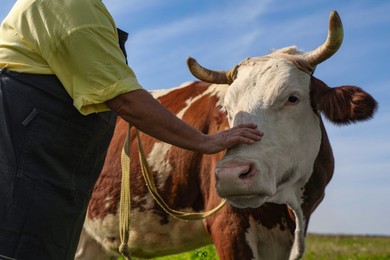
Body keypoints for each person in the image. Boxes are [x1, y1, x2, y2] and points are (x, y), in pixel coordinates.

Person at [0, 0, 262, 259]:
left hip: (42, 175)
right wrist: (204, 142)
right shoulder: (68, 5)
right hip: (25, 179)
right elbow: (124, 99)